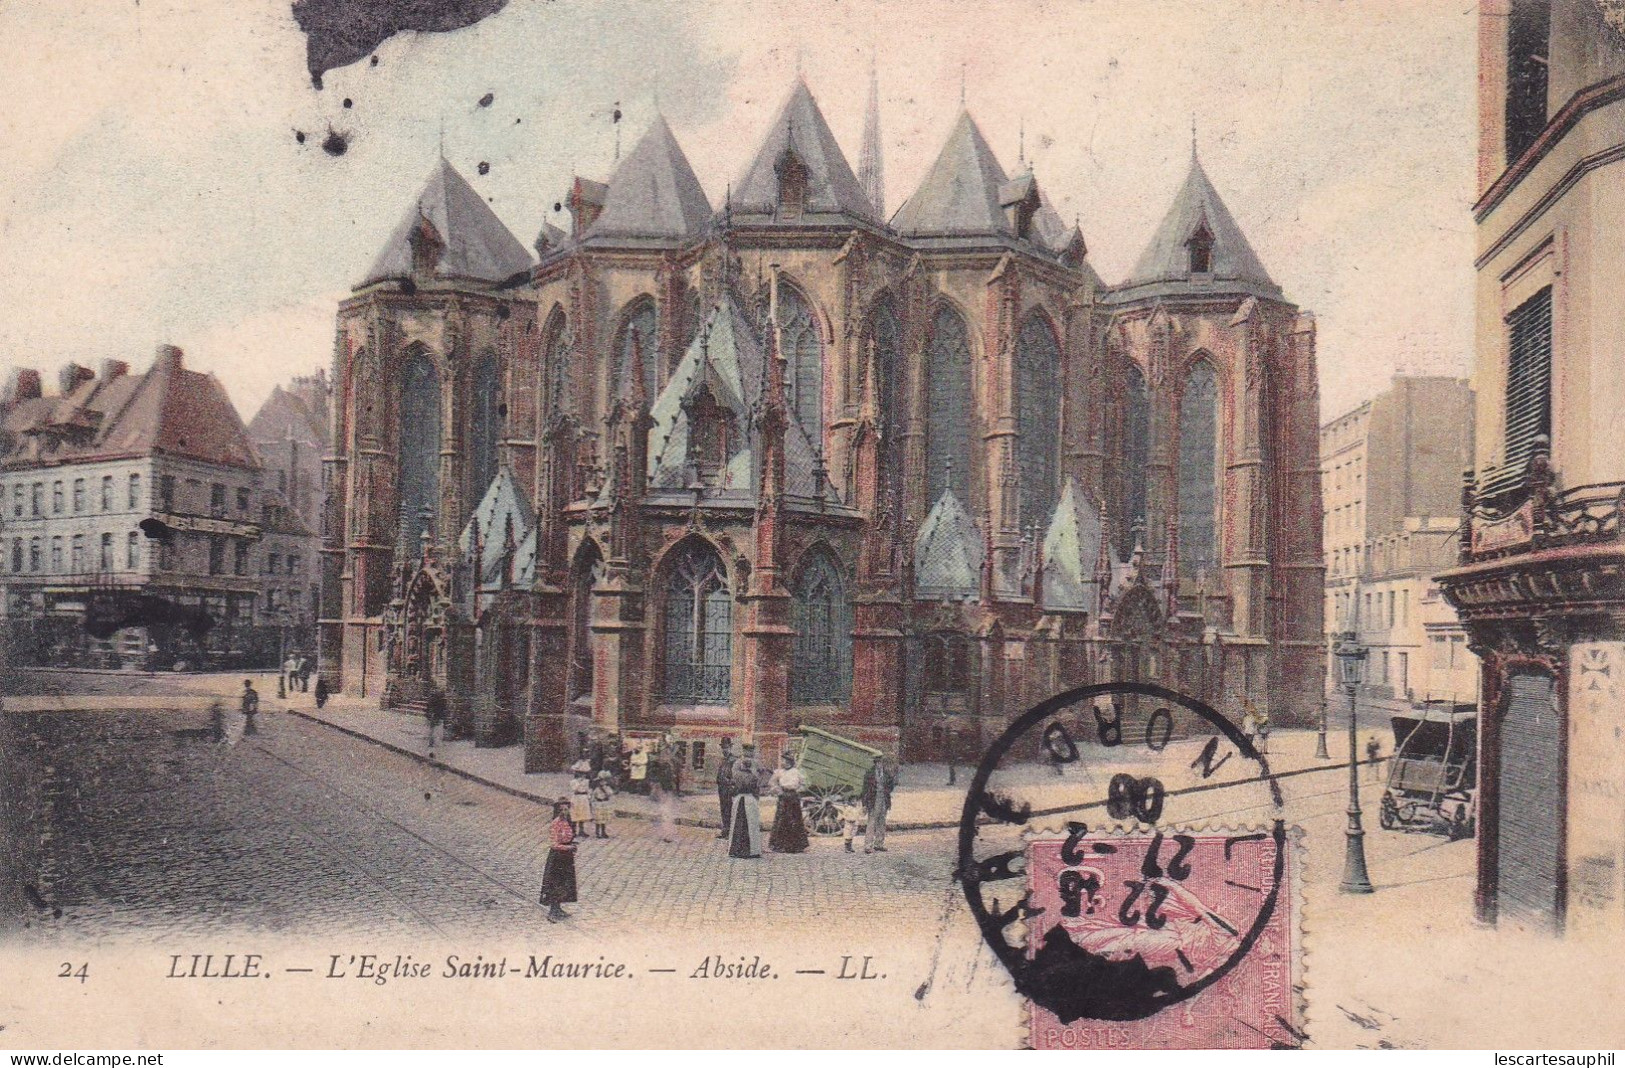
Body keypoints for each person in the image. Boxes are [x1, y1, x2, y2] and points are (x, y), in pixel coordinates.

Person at [538, 800, 577, 923]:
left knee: (564, 883)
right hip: (557, 857)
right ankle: (552, 911)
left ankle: (559, 908)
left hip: (566, 857)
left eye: (566, 809)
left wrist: (571, 845)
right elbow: (554, 844)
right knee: (555, 883)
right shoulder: (555, 823)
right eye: (562, 810)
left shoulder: (567, 821)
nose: (564, 812)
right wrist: (569, 847)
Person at [768, 751, 809, 854]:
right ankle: (780, 845)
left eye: (786, 760)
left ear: (790, 762)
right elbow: (772, 783)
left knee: (794, 820)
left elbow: (805, 784)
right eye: (783, 760)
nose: (783, 762)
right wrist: (778, 791)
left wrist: (797, 791)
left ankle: (795, 846)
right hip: (783, 796)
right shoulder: (779, 772)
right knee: (782, 820)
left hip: (793, 797)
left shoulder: (796, 772)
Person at [727, 744, 763, 859]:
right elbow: (737, 779)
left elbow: (759, 779)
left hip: (746, 798)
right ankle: (743, 848)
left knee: (748, 823)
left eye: (750, 751)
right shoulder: (738, 763)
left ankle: (746, 848)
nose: (748, 753)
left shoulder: (756, 763)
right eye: (746, 751)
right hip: (745, 797)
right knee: (744, 823)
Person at [860, 755, 896, 854]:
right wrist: (864, 804)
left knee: (882, 822)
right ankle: (868, 846)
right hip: (873, 800)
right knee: (872, 822)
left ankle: (879, 844)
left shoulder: (886, 773)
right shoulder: (869, 774)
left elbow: (891, 785)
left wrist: (887, 790)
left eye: (882, 763)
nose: (880, 765)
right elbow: (865, 790)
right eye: (879, 763)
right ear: (875, 763)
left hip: (883, 799)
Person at [715, 738, 737, 840]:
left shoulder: (734, 760)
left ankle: (730, 833)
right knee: (724, 810)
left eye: (726, 748)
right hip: (722, 789)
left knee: (729, 811)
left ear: (731, 747)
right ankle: (725, 831)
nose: (724, 750)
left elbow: (736, 777)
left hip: (729, 789)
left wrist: (729, 783)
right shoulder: (723, 760)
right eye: (723, 748)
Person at [589, 770, 615, 839]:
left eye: (604, 781)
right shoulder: (596, 789)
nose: (602, 783)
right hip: (598, 804)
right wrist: (592, 804)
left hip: (605, 804)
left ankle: (603, 832)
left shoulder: (607, 788)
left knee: (604, 819)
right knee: (598, 819)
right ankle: (597, 832)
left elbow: (610, 794)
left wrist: (605, 790)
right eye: (601, 781)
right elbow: (593, 797)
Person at [569, 759, 592, 838]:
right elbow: (575, 789)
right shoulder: (573, 782)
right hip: (577, 797)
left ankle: (581, 830)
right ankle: (573, 830)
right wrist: (579, 782)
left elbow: (588, 789)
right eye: (581, 774)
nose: (583, 776)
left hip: (584, 798)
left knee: (583, 814)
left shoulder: (586, 781)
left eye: (584, 774)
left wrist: (589, 797)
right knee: (575, 813)